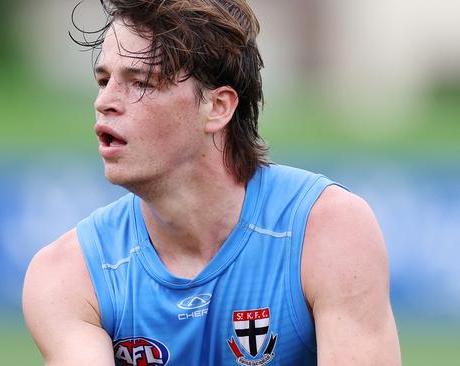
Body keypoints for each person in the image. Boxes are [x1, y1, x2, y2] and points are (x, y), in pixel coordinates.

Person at [22, 1, 401, 364]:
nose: (105, 101)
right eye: (104, 80)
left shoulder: (328, 231)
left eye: (140, 83)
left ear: (218, 107)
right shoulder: (69, 273)